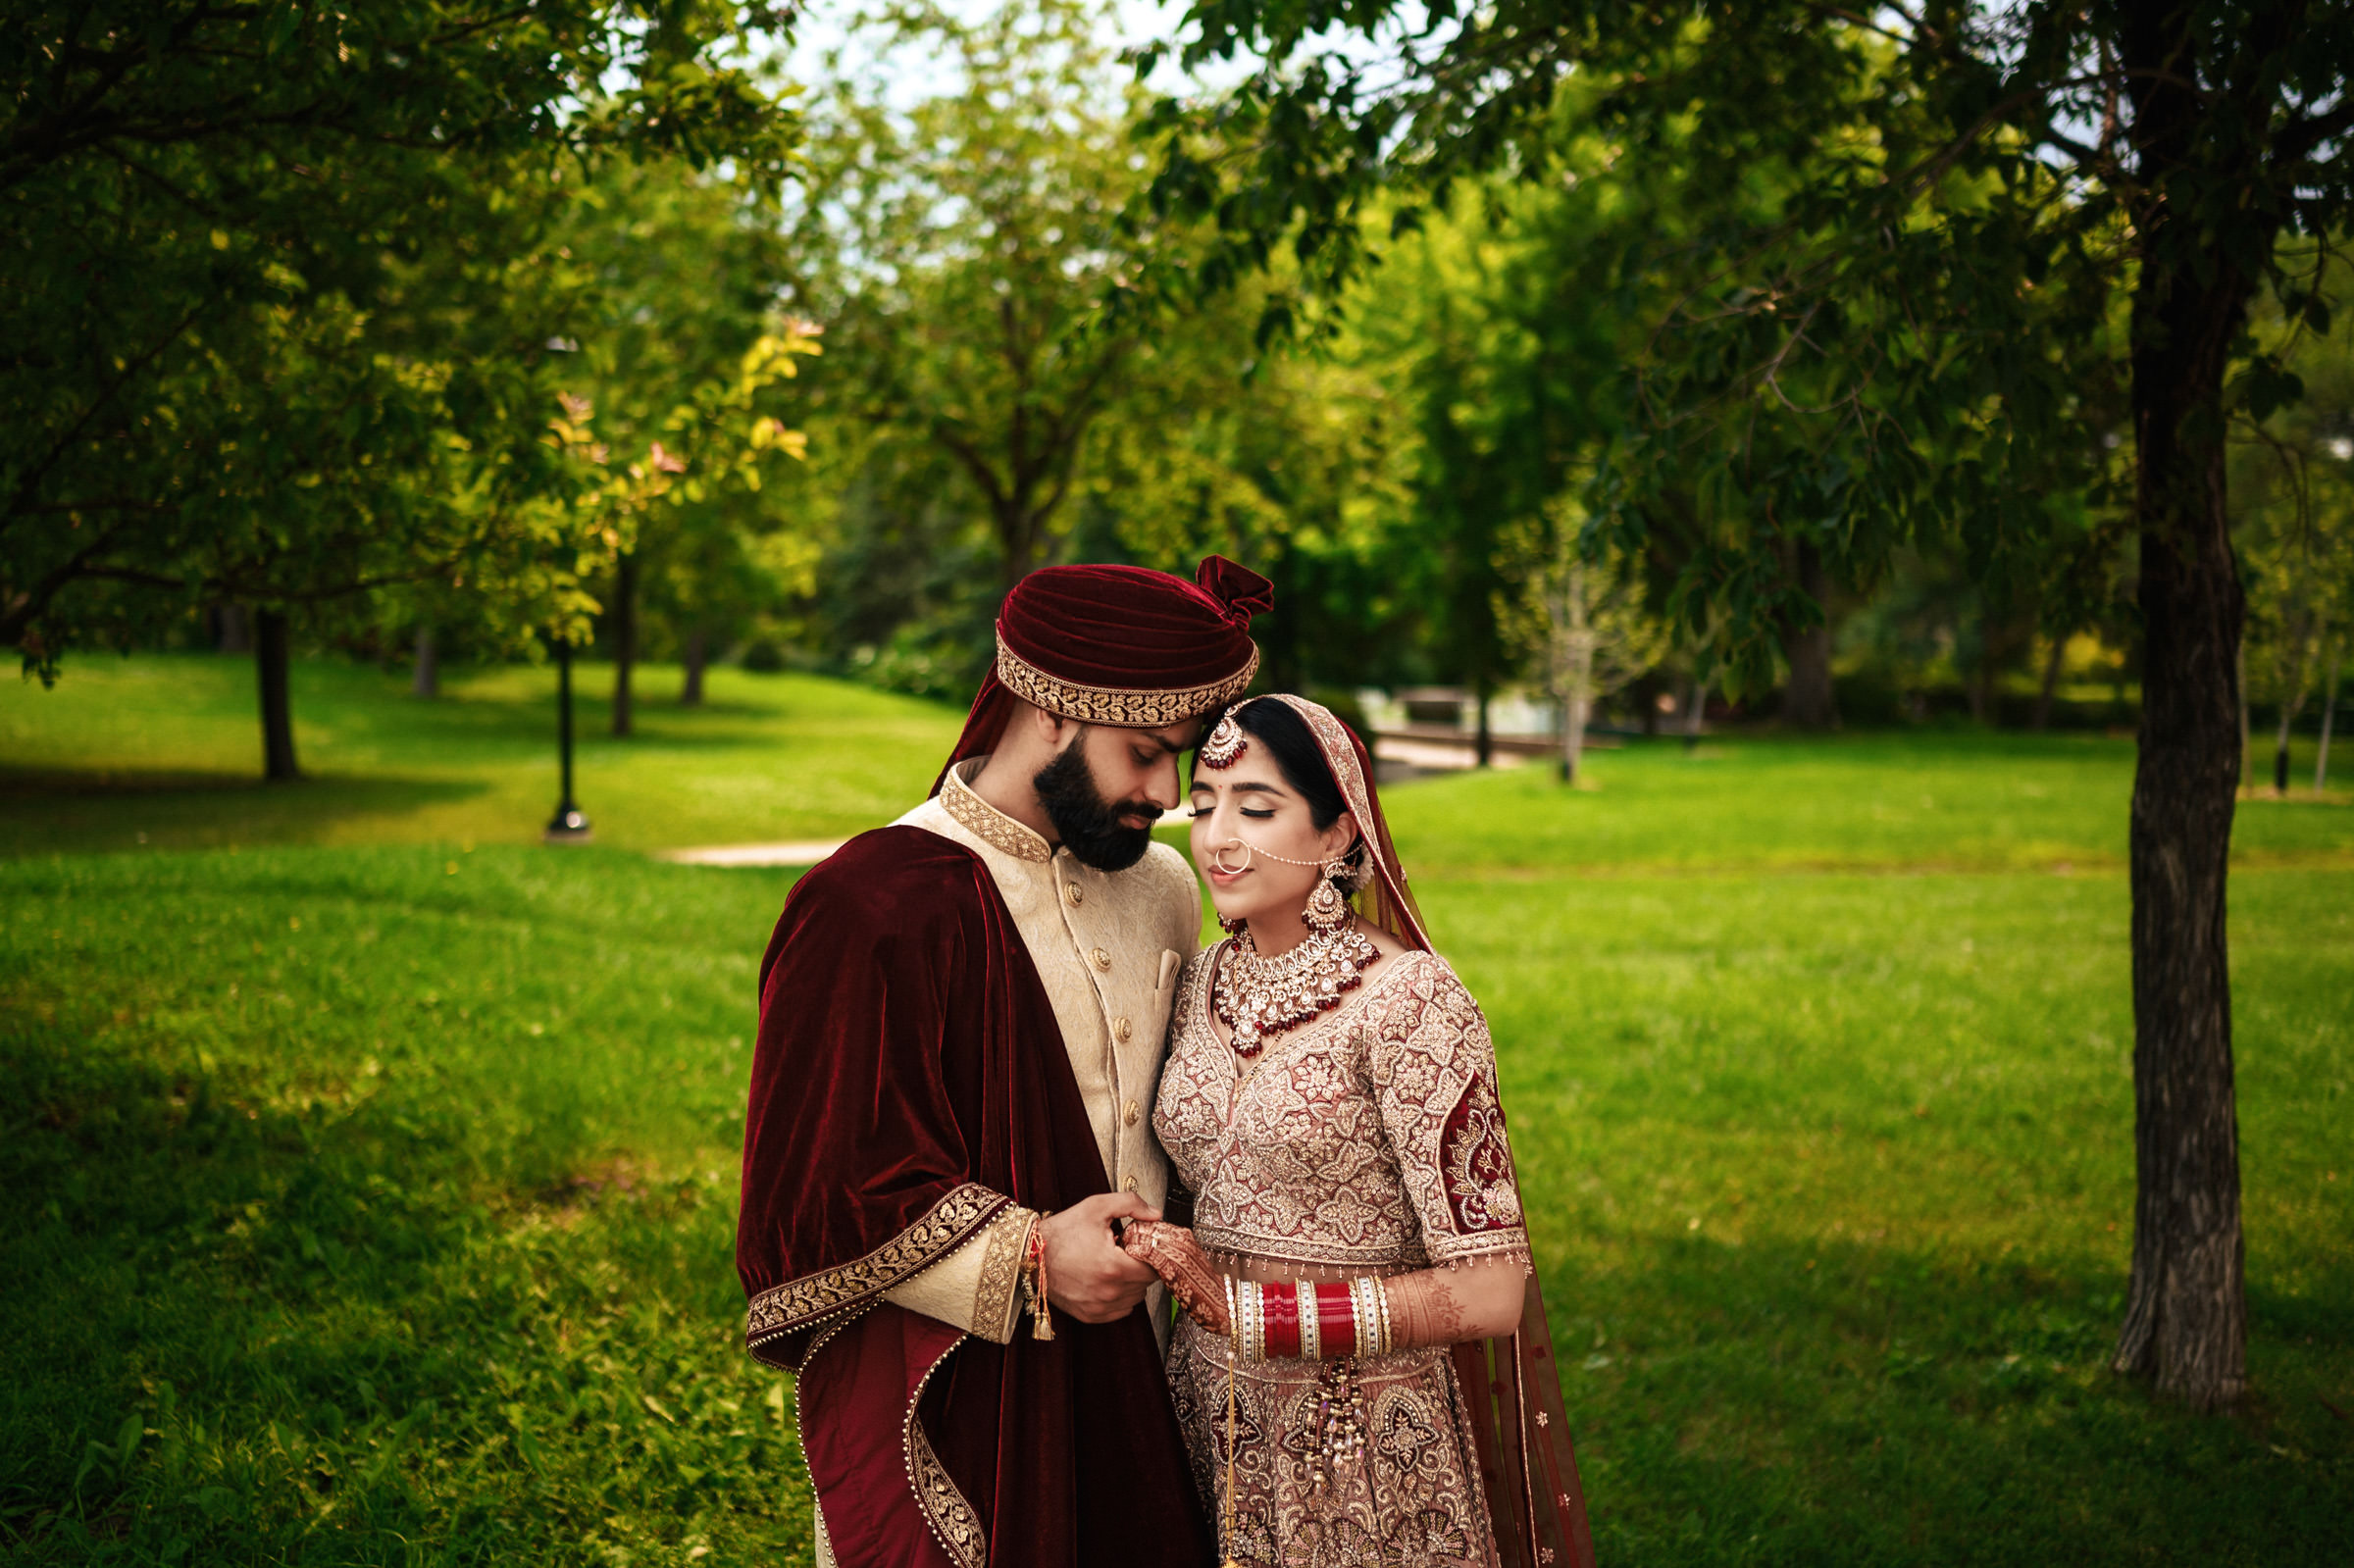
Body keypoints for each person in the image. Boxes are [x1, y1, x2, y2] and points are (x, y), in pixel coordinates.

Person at [733, 556, 1272, 1568]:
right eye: (1146, 753)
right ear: (1052, 712)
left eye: (1181, 757)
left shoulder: (1159, 887)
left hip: (1146, 1382)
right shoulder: (871, 903)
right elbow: (815, 1194)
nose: (1166, 791)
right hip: (963, 1397)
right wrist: (1029, 1259)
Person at [1122, 694, 1597, 1568]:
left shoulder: (1412, 1001)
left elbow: (1493, 1290)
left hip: (1358, 1439)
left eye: (1257, 808)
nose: (1219, 837)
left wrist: (1252, 1314)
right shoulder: (1196, 982)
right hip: (1203, 1416)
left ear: (1341, 832)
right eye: (1207, 801)